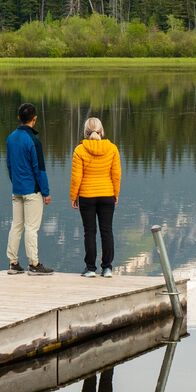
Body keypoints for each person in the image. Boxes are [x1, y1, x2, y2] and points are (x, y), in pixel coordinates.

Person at [69, 115, 122, 277]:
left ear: (85, 132)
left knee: (89, 232)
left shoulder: (80, 150)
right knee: (107, 231)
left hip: (87, 196)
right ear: (101, 131)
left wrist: (74, 196)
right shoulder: (112, 148)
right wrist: (116, 193)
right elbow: (116, 175)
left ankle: (90, 268)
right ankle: (107, 268)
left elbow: (76, 177)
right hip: (107, 195)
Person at [5, 102, 54, 275]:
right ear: (34, 119)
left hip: (17, 189)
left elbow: (9, 166)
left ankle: (13, 263)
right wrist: (46, 192)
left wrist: (15, 183)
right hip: (32, 191)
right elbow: (39, 169)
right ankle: (34, 264)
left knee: (16, 226)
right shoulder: (33, 141)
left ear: (19, 118)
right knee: (31, 228)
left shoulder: (10, 138)